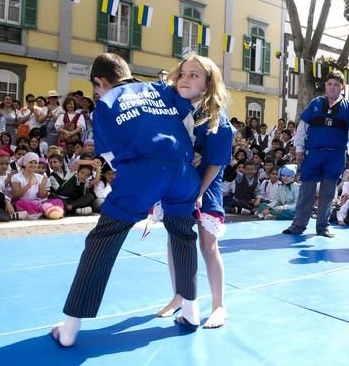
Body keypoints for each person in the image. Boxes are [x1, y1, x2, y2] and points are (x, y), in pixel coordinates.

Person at [51, 53, 201, 347]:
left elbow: (110, 157)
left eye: (95, 88)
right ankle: (192, 312)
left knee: (103, 240)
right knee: (183, 235)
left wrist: (142, 186)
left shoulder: (106, 104)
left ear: (100, 82)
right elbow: (187, 115)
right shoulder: (160, 88)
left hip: (143, 171)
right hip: (183, 170)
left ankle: (69, 329)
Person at [156, 54, 234, 329]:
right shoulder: (172, 109)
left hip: (206, 184)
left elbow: (215, 162)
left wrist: (199, 192)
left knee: (208, 245)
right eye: (183, 74)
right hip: (178, 182)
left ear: (207, 84)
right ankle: (179, 295)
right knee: (173, 240)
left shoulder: (216, 119)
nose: (185, 79)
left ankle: (218, 305)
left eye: (194, 75)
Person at [282, 71, 349, 238]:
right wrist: (299, 148)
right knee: (306, 191)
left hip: (335, 156)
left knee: (327, 194)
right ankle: (298, 225)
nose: (332, 88)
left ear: (343, 87)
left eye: (336, 85)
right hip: (313, 154)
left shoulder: (348, 108)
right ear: (325, 86)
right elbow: (302, 127)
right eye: (329, 84)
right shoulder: (316, 103)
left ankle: (322, 227)